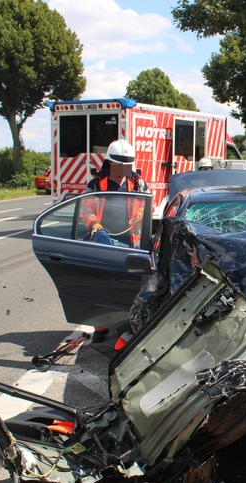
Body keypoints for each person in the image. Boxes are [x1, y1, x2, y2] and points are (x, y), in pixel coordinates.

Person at [81, 139, 148, 343]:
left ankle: (125, 324)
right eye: (122, 164)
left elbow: (147, 205)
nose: (126, 169)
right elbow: (85, 208)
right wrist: (95, 226)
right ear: (110, 163)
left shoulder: (138, 184)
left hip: (131, 241)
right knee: (102, 284)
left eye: (129, 164)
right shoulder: (95, 184)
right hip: (103, 239)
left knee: (127, 285)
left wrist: (142, 214)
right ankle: (101, 325)